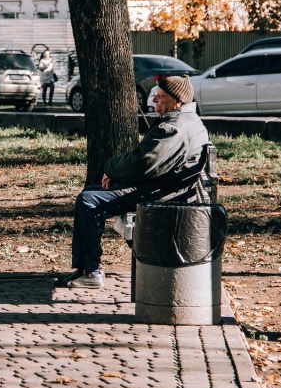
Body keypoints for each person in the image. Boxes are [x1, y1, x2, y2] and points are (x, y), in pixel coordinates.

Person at [55, 75, 210, 288]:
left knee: (88, 200)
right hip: (168, 188)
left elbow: (144, 164)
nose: (154, 100)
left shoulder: (174, 128)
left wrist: (110, 168)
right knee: (91, 192)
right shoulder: (189, 120)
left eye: (160, 97)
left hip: (161, 194)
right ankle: (87, 268)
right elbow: (147, 163)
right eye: (156, 95)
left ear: (177, 101)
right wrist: (117, 175)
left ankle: (91, 271)